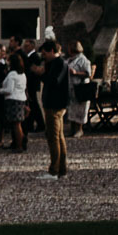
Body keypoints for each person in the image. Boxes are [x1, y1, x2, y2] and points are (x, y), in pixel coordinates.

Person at [38, 40, 72, 180]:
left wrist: (40, 73)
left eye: (45, 53)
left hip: (54, 105)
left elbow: (54, 81)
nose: (43, 55)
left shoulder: (59, 64)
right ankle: (61, 169)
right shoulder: (57, 63)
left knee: (53, 137)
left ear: (52, 50)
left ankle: (54, 170)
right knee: (59, 137)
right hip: (56, 104)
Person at [1, 52, 29, 153]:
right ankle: (20, 142)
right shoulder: (22, 74)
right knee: (18, 124)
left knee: (16, 124)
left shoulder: (12, 74)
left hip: (13, 100)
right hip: (21, 99)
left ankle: (19, 144)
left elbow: (9, 89)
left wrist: (0, 90)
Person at [66, 42, 93, 138]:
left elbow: (88, 73)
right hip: (71, 88)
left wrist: (76, 73)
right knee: (72, 109)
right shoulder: (69, 60)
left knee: (80, 110)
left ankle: (79, 129)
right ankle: (72, 129)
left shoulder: (83, 60)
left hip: (80, 88)